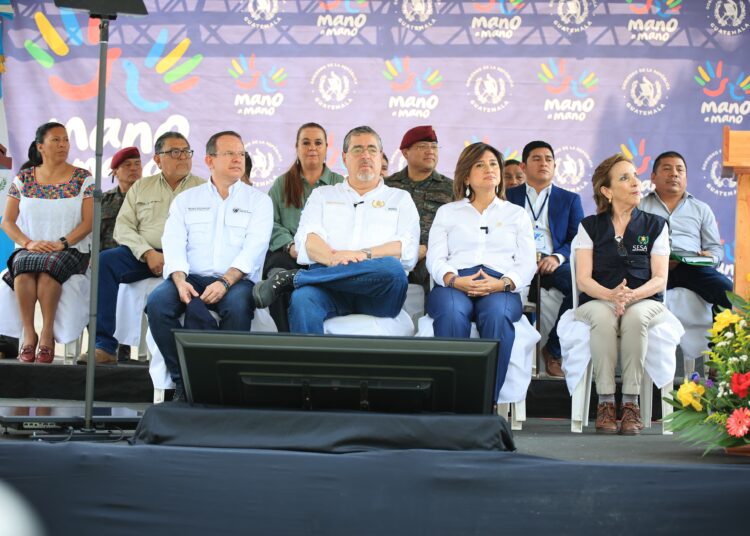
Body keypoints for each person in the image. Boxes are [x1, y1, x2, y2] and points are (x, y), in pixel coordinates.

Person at [253, 125, 420, 334]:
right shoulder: (323, 195)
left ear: (380, 157)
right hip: (329, 289)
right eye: (357, 149)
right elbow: (308, 240)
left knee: (393, 269)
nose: (365, 155)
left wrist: (362, 255)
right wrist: (334, 259)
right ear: (344, 157)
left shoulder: (400, 198)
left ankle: (295, 278)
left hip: (379, 293)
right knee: (302, 300)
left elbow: (407, 249)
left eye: (372, 149)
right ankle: (307, 358)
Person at [146, 131, 272, 400]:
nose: (238, 159)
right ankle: (183, 381)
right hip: (190, 277)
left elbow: (254, 248)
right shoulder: (186, 200)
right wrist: (179, 280)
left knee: (237, 306)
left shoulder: (259, 202)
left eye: (241, 154)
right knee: (157, 303)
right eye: (229, 154)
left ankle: (226, 383)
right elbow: (173, 243)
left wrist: (225, 281)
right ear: (209, 160)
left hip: (236, 280)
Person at [78, 132, 204, 365]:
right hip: (146, 255)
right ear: (157, 159)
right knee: (105, 262)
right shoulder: (142, 187)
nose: (183, 157)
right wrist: (147, 253)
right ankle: (104, 346)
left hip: (189, 259)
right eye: (175, 152)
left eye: (186, 151)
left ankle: (187, 354)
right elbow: (123, 227)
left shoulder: (204, 189)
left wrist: (176, 258)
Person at [426, 142, 536, 401]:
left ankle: (485, 402)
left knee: (497, 315)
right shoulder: (448, 212)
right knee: (452, 313)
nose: (489, 169)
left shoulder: (516, 214)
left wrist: (503, 284)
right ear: (466, 176)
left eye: (493, 164)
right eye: (480, 164)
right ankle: (450, 402)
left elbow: (527, 262)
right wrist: (454, 280)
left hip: (500, 286)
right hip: (454, 283)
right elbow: (435, 258)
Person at [574, 154, 670, 435]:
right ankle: (605, 402)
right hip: (598, 299)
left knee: (635, 318)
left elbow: (660, 279)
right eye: (625, 178)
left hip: (645, 300)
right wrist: (611, 295)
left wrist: (630, 296)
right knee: (603, 318)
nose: (635, 183)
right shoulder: (589, 226)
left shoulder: (656, 225)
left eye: (635, 176)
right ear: (607, 191)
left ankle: (630, 403)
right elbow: (583, 280)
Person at [0, 122, 93, 364]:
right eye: (56, 140)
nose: (63, 145)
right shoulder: (23, 178)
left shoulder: (83, 178)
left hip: (71, 249)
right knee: (22, 269)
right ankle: (29, 334)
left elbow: (88, 223)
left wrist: (63, 243)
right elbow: (7, 222)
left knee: (49, 270)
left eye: (66, 140)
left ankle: (47, 334)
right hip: (31, 247)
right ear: (40, 146)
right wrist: (28, 243)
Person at [506, 141, 584, 378]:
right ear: (524, 166)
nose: (544, 163)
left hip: (552, 264)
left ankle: (553, 350)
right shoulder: (508, 196)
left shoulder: (570, 199)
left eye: (549, 159)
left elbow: (577, 239)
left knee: (581, 287)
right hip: (515, 263)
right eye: (537, 159)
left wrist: (557, 257)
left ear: (555, 166)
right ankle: (509, 356)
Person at [262, 123, 344, 331]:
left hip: (327, 256)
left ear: (326, 148)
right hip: (290, 255)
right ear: (296, 147)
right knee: (277, 271)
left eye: (318, 143)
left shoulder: (340, 185)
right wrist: (290, 245)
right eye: (306, 143)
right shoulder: (282, 184)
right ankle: (285, 339)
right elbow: (269, 222)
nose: (312, 148)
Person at [640, 151, 732, 314]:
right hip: (651, 268)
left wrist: (710, 257)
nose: (674, 173)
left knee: (728, 292)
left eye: (680, 169)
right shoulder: (639, 207)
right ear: (653, 177)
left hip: (692, 268)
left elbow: (716, 248)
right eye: (667, 168)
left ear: (686, 178)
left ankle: (721, 331)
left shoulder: (701, 209)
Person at [385, 125, 453, 298]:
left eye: (434, 147)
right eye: (423, 146)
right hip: (392, 258)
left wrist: (428, 250)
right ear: (405, 152)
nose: (430, 151)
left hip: (433, 259)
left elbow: (458, 231)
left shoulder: (451, 188)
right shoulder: (387, 186)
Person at [100, 146, 143, 362]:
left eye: (137, 164)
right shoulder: (104, 200)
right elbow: (96, 235)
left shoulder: (149, 197)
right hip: (108, 263)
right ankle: (104, 346)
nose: (134, 169)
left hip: (138, 261)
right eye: (127, 165)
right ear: (115, 172)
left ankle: (123, 351)